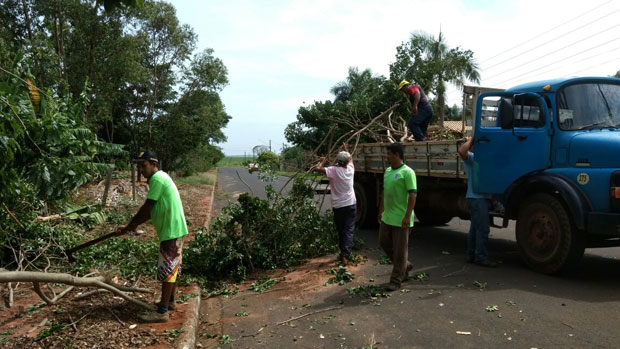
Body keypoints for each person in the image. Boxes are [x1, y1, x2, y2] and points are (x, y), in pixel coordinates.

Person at [115, 150, 189, 322]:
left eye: (144, 165)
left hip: (171, 230)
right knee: (172, 268)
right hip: (173, 228)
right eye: (139, 166)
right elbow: (152, 210)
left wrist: (131, 225)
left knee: (168, 270)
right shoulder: (161, 177)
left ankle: (162, 312)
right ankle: (170, 302)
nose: (141, 169)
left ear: (154, 164)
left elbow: (148, 206)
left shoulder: (157, 179)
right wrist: (130, 226)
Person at [377, 143, 417, 291]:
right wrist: (380, 211)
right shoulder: (387, 171)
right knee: (383, 242)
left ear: (396, 155)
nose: (386, 156)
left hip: (401, 218)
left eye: (388, 154)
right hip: (387, 216)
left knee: (400, 250)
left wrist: (407, 216)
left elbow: (413, 195)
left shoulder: (407, 172)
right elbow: (384, 192)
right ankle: (405, 265)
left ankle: (396, 280)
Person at [457, 137, 497, 268]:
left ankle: (471, 255)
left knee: (475, 229)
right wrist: (472, 138)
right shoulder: (472, 158)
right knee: (483, 230)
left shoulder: (482, 160)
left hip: (478, 199)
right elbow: (461, 151)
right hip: (477, 199)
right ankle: (481, 257)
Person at [314, 143, 356, 265]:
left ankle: (343, 252)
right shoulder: (350, 169)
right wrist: (346, 149)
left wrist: (322, 161)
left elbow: (317, 168)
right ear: (347, 161)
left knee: (341, 229)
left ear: (338, 161)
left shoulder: (332, 170)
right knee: (349, 229)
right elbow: (350, 159)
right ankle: (345, 254)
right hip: (351, 204)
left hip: (338, 206)